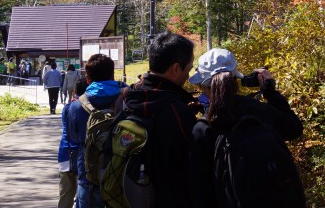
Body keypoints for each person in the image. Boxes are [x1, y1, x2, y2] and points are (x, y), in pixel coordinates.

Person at [188, 48, 304, 208]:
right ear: (236, 80)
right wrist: (270, 92)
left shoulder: (203, 129)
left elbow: (201, 191)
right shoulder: (257, 110)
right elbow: (294, 128)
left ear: (202, 85)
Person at [117, 30, 198, 207]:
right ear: (176, 68)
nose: (189, 76)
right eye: (189, 68)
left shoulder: (125, 97)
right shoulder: (177, 110)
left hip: (126, 197)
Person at [67, 54, 126, 208]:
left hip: (89, 173)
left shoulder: (76, 106)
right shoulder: (128, 98)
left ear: (88, 79)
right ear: (113, 75)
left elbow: (74, 137)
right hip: (122, 173)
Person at [58, 79, 88, 208]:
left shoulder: (67, 107)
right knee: (84, 190)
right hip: (83, 153)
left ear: (75, 91)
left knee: (66, 193)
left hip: (65, 151)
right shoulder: (88, 108)